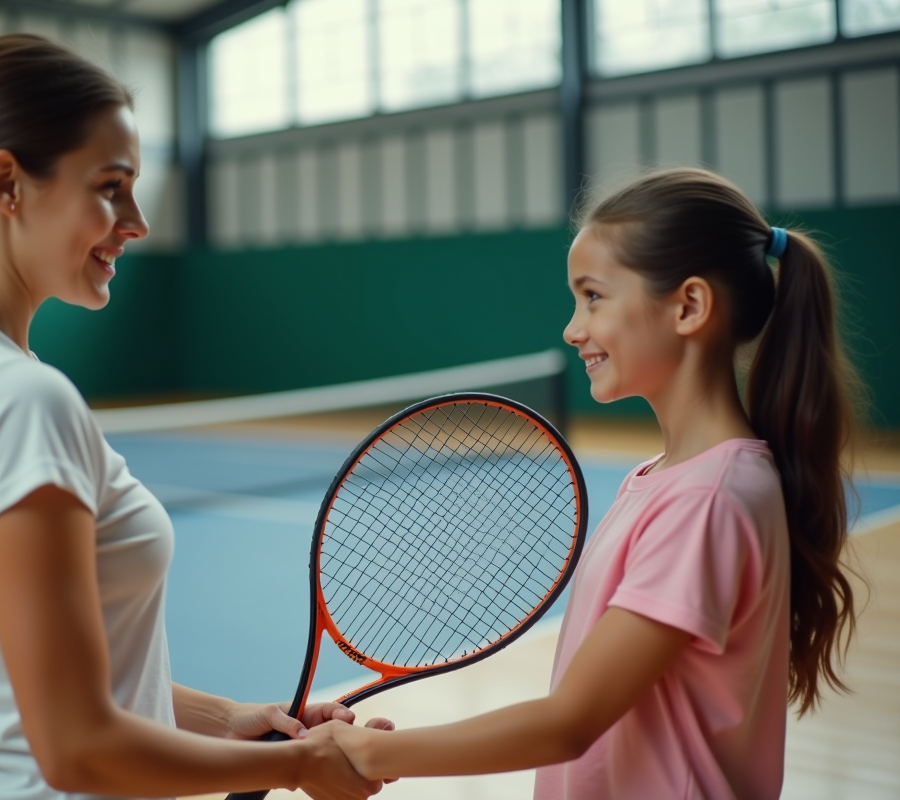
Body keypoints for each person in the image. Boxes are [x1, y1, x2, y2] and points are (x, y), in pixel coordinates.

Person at [0, 34, 389, 800]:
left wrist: (228, 720)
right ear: (7, 185)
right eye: (110, 186)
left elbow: (26, 693)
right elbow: (76, 750)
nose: (137, 221)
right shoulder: (19, 401)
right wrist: (297, 766)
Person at [322, 168, 862, 799]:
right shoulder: (672, 481)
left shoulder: (705, 500)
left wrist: (373, 750)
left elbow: (570, 723)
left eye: (594, 297)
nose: (572, 328)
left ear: (688, 306)